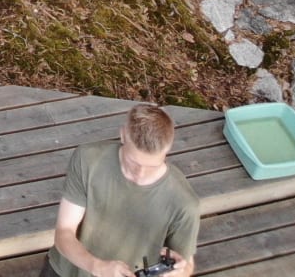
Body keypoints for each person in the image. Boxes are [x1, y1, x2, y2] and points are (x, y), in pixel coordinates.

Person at [45, 104, 198, 277]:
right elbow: (64, 232)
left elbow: (187, 265)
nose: (140, 173)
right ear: (123, 135)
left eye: (151, 166)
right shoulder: (88, 160)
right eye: (133, 161)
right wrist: (97, 266)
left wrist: (181, 271)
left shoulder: (184, 203)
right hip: (65, 271)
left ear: (167, 150)